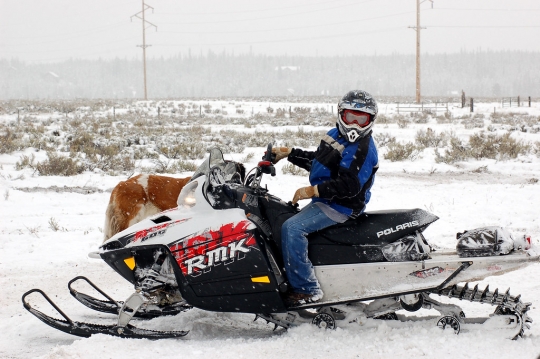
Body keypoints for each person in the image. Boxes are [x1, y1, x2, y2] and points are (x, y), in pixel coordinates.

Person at [272, 90, 379, 306]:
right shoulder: (335, 135)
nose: (355, 125)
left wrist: (314, 191)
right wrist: (290, 153)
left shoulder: (363, 148)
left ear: (370, 120)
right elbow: (319, 161)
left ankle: (306, 289)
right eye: (351, 117)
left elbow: (349, 185)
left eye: (361, 119)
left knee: (293, 229)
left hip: (342, 206)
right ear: (341, 114)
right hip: (328, 200)